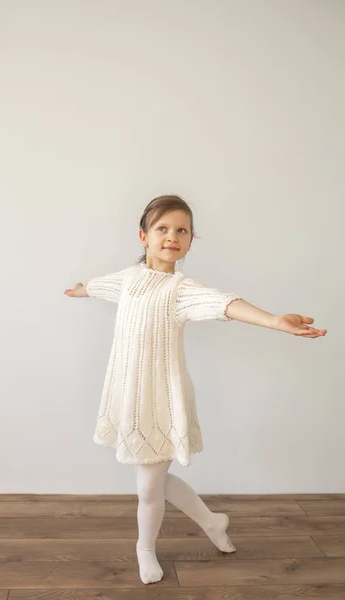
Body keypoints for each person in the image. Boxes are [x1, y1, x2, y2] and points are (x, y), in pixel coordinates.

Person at [64, 194, 327, 585]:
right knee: (152, 477)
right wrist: (79, 289)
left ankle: (145, 549)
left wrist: (273, 321)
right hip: (128, 394)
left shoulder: (180, 289)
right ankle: (212, 521)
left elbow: (225, 304)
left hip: (160, 401)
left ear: (190, 241)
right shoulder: (127, 279)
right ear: (144, 236)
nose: (172, 236)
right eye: (163, 228)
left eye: (182, 230)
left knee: (148, 485)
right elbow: (98, 286)